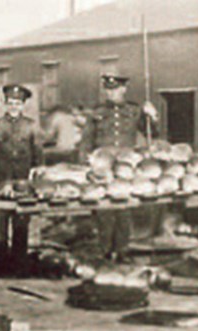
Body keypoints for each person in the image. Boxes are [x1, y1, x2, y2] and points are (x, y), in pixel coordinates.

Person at [79, 74, 159, 263]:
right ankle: (105, 251)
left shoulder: (134, 110)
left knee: (124, 207)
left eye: (115, 89)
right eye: (108, 89)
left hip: (126, 165)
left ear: (124, 89)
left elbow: (153, 133)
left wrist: (152, 116)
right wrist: (85, 162)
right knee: (103, 208)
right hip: (102, 164)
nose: (111, 93)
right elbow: (86, 140)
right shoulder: (96, 112)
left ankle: (122, 250)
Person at [0, 84, 43, 275]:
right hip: (1, 180)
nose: (14, 106)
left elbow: (38, 153)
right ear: (5, 104)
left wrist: (36, 174)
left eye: (18, 103)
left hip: (23, 181)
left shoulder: (31, 125)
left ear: (23, 105)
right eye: (11, 102)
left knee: (21, 224)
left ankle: (19, 264)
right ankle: (0, 264)